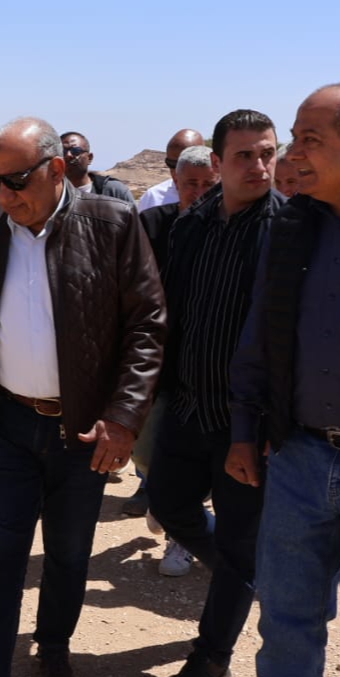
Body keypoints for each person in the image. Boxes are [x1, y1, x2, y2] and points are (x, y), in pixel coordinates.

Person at [0, 116, 166, 677]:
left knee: (68, 552)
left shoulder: (112, 224)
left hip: (83, 431)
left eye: (16, 181)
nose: (5, 196)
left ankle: (55, 646)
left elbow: (147, 326)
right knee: (0, 556)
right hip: (6, 425)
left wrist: (124, 417)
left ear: (56, 169)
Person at [227, 80, 340, 677]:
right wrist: (245, 428)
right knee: (285, 624)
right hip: (297, 457)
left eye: (309, 139)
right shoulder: (291, 224)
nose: (293, 154)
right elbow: (260, 334)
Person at [145, 110, 282, 677]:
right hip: (186, 404)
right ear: (219, 162)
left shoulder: (287, 228)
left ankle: (212, 655)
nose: (259, 166)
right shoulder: (192, 223)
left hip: (246, 421)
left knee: (238, 544)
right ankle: (243, 569)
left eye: (267, 153)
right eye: (245, 155)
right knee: (168, 504)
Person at [123, 144, 219, 576]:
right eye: (190, 184)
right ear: (175, 183)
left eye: (207, 184)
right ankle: (164, 501)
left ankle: (181, 534)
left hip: (207, 370)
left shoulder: (230, 230)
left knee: (196, 461)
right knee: (145, 453)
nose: (198, 192)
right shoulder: (152, 225)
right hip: (157, 363)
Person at [137, 128, 205, 212]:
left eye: (184, 165)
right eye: (172, 165)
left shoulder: (217, 196)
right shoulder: (153, 198)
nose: (176, 171)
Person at [60, 131, 135, 203]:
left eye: (75, 151)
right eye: (62, 152)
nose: (68, 155)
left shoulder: (114, 191)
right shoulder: (54, 195)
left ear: (89, 158)